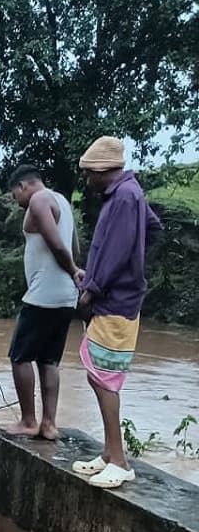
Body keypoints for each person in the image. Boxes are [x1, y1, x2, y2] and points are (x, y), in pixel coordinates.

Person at [71, 136, 163, 490]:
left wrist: (93, 287)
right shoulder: (128, 192)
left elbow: (118, 250)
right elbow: (152, 230)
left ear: (101, 170)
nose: (87, 181)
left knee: (105, 378)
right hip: (117, 295)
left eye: (88, 174)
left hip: (114, 301)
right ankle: (109, 453)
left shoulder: (124, 197)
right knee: (97, 375)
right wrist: (110, 270)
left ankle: (121, 461)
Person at [5, 165, 85, 441]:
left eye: (15, 194)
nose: (16, 201)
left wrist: (73, 269)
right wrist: (75, 272)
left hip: (44, 294)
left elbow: (57, 245)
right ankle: (49, 425)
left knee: (19, 356)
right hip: (64, 297)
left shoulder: (38, 200)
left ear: (22, 186)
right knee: (48, 359)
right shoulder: (62, 200)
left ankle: (28, 421)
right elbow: (74, 245)